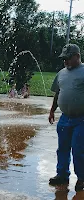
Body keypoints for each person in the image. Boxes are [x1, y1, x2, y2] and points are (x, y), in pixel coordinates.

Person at [48, 44, 84, 192]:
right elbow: (58, 93)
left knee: (78, 149)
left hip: (81, 119)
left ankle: (82, 178)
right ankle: (62, 175)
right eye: (64, 59)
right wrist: (52, 111)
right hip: (64, 118)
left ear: (77, 56)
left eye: (68, 58)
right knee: (62, 148)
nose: (65, 62)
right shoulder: (61, 73)